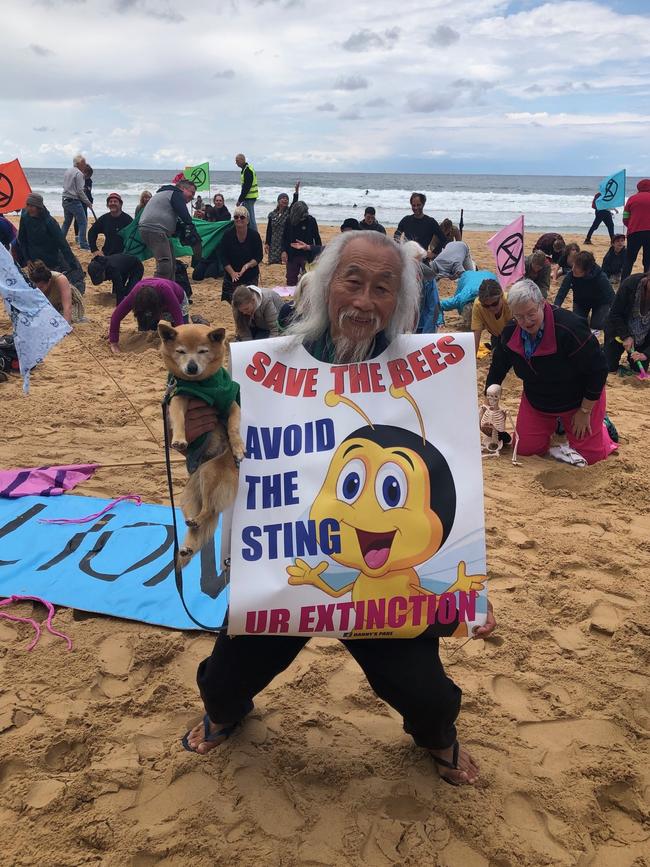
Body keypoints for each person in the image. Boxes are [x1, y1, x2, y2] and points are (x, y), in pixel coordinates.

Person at [181, 231, 496, 785]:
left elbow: (454, 487)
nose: (364, 300)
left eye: (382, 288)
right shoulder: (260, 370)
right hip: (288, 568)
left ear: (398, 301)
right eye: (353, 280)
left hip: (387, 578)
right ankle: (226, 713)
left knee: (427, 695)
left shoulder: (429, 373)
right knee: (226, 680)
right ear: (326, 286)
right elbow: (221, 468)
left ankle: (437, 738)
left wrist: (469, 595)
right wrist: (203, 441)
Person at [486, 279, 616, 465]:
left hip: (578, 400)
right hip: (538, 401)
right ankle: (559, 426)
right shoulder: (510, 332)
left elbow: (598, 369)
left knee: (592, 457)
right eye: (519, 316)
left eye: (531, 313)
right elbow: (498, 366)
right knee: (524, 449)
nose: (526, 321)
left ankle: (603, 425)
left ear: (542, 303)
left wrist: (585, 410)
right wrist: (489, 398)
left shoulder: (569, 327)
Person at [138, 178, 198, 280]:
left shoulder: (165, 194)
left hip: (153, 229)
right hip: (155, 229)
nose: (193, 197)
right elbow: (184, 215)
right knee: (165, 264)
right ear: (183, 188)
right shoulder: (175, 193)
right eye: (192, 193)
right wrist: (190, 226)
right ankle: (157, 290)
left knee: (171, 263)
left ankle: (169, 288)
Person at [108, 277, 188, 353]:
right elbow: (116, 316)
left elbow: (178, 317)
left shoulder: (165, 290)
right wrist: (114, 342)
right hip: (152, 305)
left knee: (181, 331)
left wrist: (181, 342)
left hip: (178, 300)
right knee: (145, 331)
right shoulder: (135, 294)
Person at [18, 193, 79, 273]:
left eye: (32, 206)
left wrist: (73, 264)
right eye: (27, 205)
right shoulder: (25, 217)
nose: (29, 209)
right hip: (33, 260)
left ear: (39, 207)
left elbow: (62, 243)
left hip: (49, 260)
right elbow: (22, 239)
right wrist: (27, 259)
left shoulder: (49, 222)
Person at [554, 250, 614, 331]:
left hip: (600, 303)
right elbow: (561, 293)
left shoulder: (600, 277)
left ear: (586, 271)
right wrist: (555, 309)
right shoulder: (571, 274)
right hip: (580, 301)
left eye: (577, 268)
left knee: (596, 326)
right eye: (574, 265)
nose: (573, 269)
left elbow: (612, 296)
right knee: (578, 324)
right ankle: (586, 320)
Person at [603, 270, 650, 374]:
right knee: (609, 367)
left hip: (643, 338)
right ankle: (605, 348)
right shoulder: (630, 284)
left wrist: (646, 354)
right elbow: (614, 314)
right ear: (648, 279)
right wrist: (626, 336)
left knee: (639, 369)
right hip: (618, 332)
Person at [219, 206, 263, 303]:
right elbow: (223, 256)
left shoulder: (254, 235)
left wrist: (247, 266)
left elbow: (259, 256)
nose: (239, 219)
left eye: (242, 217)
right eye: (236, 217)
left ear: (247, 220)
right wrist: (232, 273)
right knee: (233, 303)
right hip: (232, 275)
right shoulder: (227, 235)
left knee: (249, 302)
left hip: (250, 274)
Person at [27, 260, 85, 324]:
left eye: (41, 287)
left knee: (65, 321)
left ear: (49, 281)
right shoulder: (31, 281)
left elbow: (67, 307)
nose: (39, 290)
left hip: (71, 302)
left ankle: (80, 320)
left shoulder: (60, 279)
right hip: (51, 303)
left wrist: (66, 327)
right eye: (36, 287)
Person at [282, 201, 322, 286]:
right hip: (292, 254)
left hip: (307, 254)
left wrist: (319, 252)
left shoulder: (311, 220)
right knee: (291, 279)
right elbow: (284, 237)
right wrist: (283, 251)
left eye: (305, 213)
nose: (304, 216)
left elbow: (317, 238)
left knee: (308, 280)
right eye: (301, 215)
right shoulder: (289, 220)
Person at [61, 154, 93, 250]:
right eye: (84, 163)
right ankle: (83, 244)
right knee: (83, 222)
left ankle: (60, 241)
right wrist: (88, 202)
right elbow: (80, 191)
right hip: (74, 200)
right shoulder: (79, 173)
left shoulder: (67, 171)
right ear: (79, 163)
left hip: (65, 199)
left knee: (67, 222)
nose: (85, 164)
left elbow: (65, 186)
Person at [471, 278, 512, 354]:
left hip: (514, 337)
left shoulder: (510, 302)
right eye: (486, 306)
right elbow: (476, 336)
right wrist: (472, 363)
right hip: (496, 336)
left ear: (501, 296)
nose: (491, 308)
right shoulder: (478, 305)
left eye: (494, 304)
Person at [621, 179, 650, 281]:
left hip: (634, 232)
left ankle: (623, 283)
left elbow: (625, 217)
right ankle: (647, 285)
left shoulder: (632, 199)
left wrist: (631, 225)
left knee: (629, 260)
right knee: (648, 261)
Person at [265, 183, 299, 264]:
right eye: (283, 198)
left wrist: (296, 191)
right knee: (272, 262)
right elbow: (269, 229)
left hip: (284, 241)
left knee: (283, 261)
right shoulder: (272, 214)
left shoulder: (289, 212)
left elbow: (294, 203)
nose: (285, 200)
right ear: (278, 201)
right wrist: (267, 243)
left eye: (286, 198)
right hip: (273, 241)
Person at [235, 153, 259, 230]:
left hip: (249, 198)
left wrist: (240, 200)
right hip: (248, 197)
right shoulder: (245, 169)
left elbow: (246, 187)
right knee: (247, 217)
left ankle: (255, 236)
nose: (236, 163)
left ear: (242, 160)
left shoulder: (247, 170)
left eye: (237, 161)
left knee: (250, 219)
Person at [73, 163, 94, 239]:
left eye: (89, 175)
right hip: (77, 202)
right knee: (78, 219)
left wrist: (90, 201)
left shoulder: (89, 181)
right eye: (87, 174)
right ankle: (77, 236)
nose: (88, 176)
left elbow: (89, 192)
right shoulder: (78, 180)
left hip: (85, 202)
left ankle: (81, 236)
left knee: (85, 219)